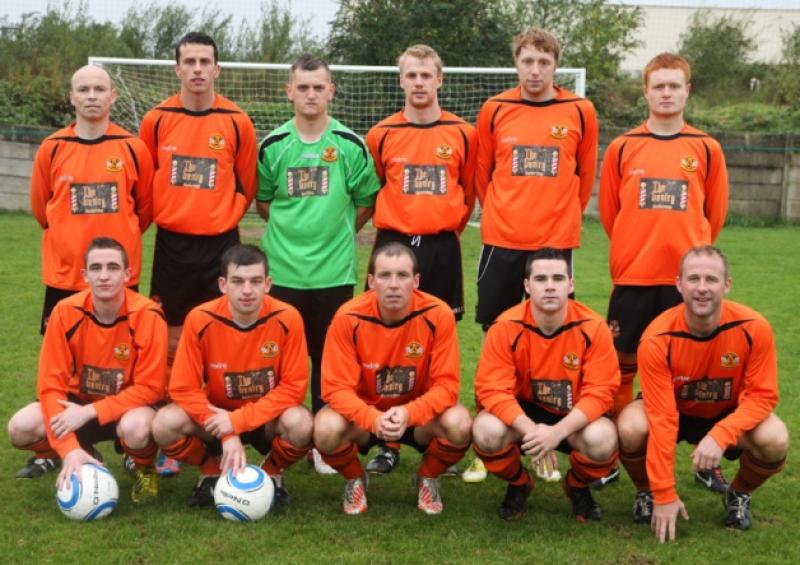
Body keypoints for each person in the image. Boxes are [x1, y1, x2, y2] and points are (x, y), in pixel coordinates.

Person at [599, 52, 729, 491]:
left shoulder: (706, 148)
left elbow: (714, 214)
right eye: (659, 86)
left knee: (696, 370)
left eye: (675, 85)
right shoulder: (622, 147)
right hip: (633, 278)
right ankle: (617, 451)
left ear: (687, 91)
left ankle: (705, 457)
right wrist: (635, 247)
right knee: (620, 368)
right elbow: (611, 213)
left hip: (687, 285)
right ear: (647, 91)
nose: (667, 93)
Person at [256, 55, 380, 474]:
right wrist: (295, 234)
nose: (311, 94)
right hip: (282, 274)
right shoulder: (273, 145)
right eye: (303, 86)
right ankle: (285, 436)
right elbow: (264, 202)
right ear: (289, 91)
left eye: (319, 86)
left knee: (329, 362)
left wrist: (336, 232)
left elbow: (366, 200)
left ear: (331, 91)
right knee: (280, 361)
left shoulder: (349, 144)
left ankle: (326, 444)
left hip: (333, 273)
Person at [617, 246, 788, 541]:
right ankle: (646, 492)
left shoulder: (754, 327)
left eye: (711, 279)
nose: (702, 288)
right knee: (630, 427)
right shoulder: (657, 338)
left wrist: (720, 435)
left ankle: (739, 494)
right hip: (674, 411)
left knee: (776, 438)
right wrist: (664, 492)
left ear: (727, 284)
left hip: (726, 415)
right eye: (693, 279)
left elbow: (762, 396)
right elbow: (661, 417)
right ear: (679, 285)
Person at [363, 44, 477, 476]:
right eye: (411, 75)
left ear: (439, 79)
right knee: (385, 341)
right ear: (401, 80)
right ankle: (387, 441)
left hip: (441, 245)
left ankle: (433, 436)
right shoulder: (382, 133)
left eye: (426, 75)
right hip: (392, 242)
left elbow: (469, 192)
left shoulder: (464, 133)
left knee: (436, 340)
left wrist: (443, 227)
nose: (418, 83)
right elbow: (374, 187)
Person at [313, 243, 471, 515]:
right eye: (385, 276)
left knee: (460, 423)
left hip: (417, 417)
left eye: (403, 275)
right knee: (325, 428)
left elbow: (447, 386)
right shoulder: (347, 317)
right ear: (371, 281)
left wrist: (409, 413)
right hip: (366, 418)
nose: (394, 284)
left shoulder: (438, 314)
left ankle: (427, 477)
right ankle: (355, 478)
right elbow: (335, 389)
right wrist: (372, 418)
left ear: (416, 281)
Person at [151, 244, 312, 508]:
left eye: (255, 281)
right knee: (164, 423)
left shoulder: (288, 317)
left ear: (268, 284)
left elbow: (294, 388)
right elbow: (183, 388)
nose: (247, 290)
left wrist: (237, 421)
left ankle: (271, 473)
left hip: (266, 416)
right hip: (215, 418)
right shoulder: (199, 319)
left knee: (302, 423)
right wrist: (227, 431)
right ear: (223, 284)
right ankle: (211, 471)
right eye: (238, 281)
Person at [8, 237, 167, 503]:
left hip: (126, 408)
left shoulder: (148, 315)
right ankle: (80, 452)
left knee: (137, 428)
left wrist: (92, 412)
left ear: (128, 274)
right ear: (84, 275)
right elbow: (50, 385)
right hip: (76, 404)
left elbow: (151, 388)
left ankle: (142, 465)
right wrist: (68, 448)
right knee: (20, 427)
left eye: (113, 267)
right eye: (96, 268)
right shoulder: (64, 312)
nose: (104, 276)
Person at [471, 248, 620, 521]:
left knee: (604, 440)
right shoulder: (504, 326)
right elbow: (492, 389)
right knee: (485, 431)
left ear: (571, 284)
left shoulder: (594, 327)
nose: (550, 286)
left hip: (572, 415)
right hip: (523, 412)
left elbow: (601, 392)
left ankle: (577, 486)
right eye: (540, 279)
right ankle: (519, 482)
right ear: (527, 285)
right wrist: (531, 429)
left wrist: (556, 433)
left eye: (558, 278)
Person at [139, 31, 257, 368]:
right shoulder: (156, 120)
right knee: (170, 328)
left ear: (217, 69)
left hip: (221, 244)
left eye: (205, 62)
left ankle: (220, 399)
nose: (198, 69)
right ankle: (170, 403)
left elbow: (246, 186)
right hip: (172, 244)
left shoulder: (237, 122)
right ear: (177, 69)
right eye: (190, 62)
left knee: (224, 324)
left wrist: (221, 215)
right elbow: (147, 182)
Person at [474, 27, 598, 331]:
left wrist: (562, 215)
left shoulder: (580, 110)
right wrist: (502, 214)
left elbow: (584, 176)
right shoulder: (495, 109)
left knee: (552, 328)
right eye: (528, 61)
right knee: (496, 327)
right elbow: (482, 175)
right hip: (502, 239)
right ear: (516, 63)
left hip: (554, 242)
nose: (535, 70)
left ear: (556, 65)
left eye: (543, 62)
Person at [30, 64, 154, 336]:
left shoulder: (134, 148)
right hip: (66, 275)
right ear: (72, 97)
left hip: (119, 276)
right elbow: (42, 210)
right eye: (83, 89)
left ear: (113, 95)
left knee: (117, 356)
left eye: (99, 89)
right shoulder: (52, 148)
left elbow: (144, 210)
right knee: (63, 358)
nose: (92, 96)